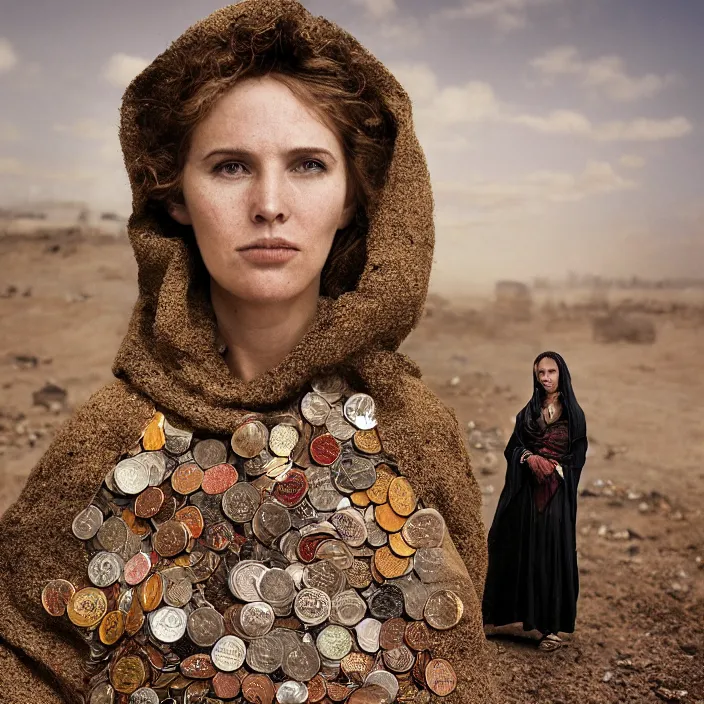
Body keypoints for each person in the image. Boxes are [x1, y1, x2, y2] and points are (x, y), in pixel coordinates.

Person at [0, 1, 496, 702]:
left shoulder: (416, 430)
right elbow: (21, 654)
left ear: (355, 197)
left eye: (309, 165)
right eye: (231, 167)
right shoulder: (103, 437)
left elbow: (460, 662)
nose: (269, 203)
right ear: (174, 198)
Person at [482, 351, 588, 652]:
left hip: (555, 496)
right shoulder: (527, 413)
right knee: (515, 546)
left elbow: (577, 457)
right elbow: (513, 448)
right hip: (525, 494)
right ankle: (496, 617)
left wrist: (554, 467)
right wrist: (528, 458)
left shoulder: (574, 416)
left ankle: (550, 629)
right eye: (540, 373)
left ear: (561, 374)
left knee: (551, 555)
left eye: (551, 372)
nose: (545, 378)